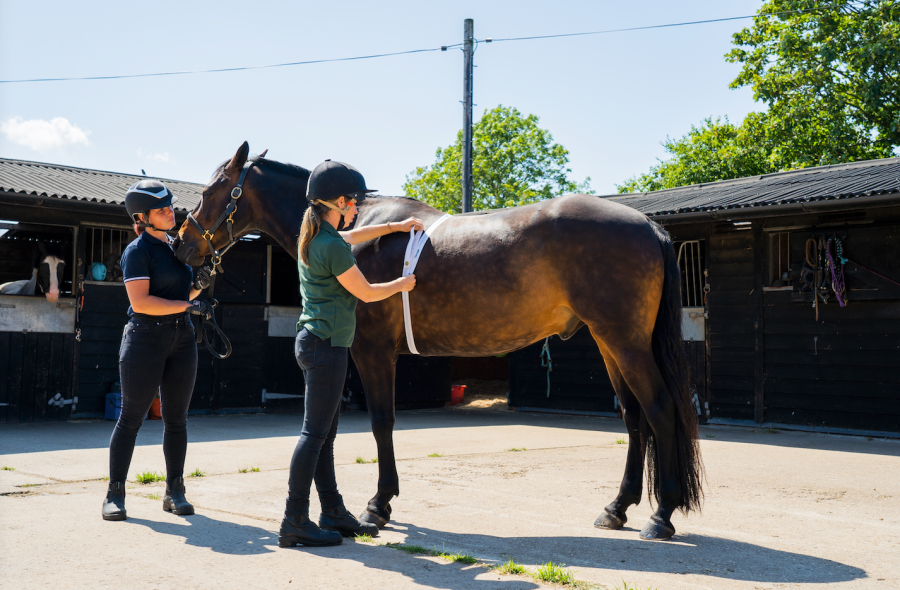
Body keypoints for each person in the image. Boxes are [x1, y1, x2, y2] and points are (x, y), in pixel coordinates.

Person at [279, 160, 422, 548]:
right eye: (355, 201)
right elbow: (368, 293)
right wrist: (403, 283)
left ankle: (332, 512)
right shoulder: (332, 248)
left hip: (316, 342)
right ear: (339, 202)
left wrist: (396, 226)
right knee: (314, 435)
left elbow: (359, 233)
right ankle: (294, 519)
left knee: (324, 435)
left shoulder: (316, 237)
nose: (358, 208)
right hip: (327, 346)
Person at [102, 180, 214, 521]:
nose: (171, 212)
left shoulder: (176, 249)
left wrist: (199, 287)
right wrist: (186, 304)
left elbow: (182, 298)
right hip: (144, 341)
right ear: (142, 217)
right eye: (162, 209)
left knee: (177, 419)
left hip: (182, 340)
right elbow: (142, 301)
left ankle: (175, 491)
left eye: (170, 206)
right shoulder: (137, 252)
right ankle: (115, 494)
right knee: (131, 418)